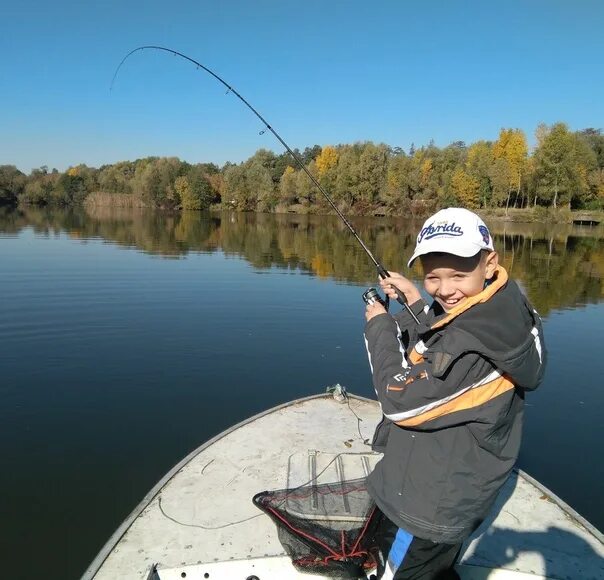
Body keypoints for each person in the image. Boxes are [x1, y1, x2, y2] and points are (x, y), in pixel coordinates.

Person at [363, 207, 546, 580]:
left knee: (400, 571)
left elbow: (399, 400)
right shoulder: (502, 306)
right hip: (456, 486)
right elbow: (444, 335)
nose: (445, 289)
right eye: (433, 276)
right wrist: (416, 301)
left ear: (489, 263)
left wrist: (380, 325)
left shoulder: (472, 349)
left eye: (458, 275)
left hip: (429, 505)